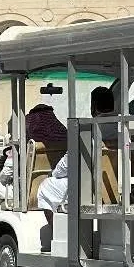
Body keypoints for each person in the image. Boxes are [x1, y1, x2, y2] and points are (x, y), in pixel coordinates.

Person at [37, 86, 115, 216]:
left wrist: (54, 173)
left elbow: (68, 163)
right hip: (118, 183)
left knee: (46, 185)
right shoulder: (123, 126)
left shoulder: (89, 129)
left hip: (92, 185)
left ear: (93, 105)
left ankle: (54, 232)